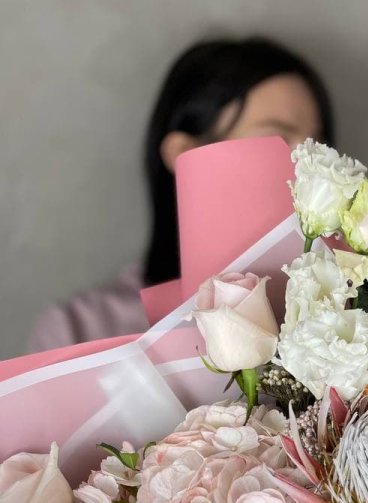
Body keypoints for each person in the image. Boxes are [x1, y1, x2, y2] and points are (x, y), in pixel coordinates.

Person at [27, 37, 334, 352]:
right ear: (184, 153)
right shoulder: (78, 331)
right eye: (276, 139)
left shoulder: (344, 315)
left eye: (318, 145)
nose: (309, 165)